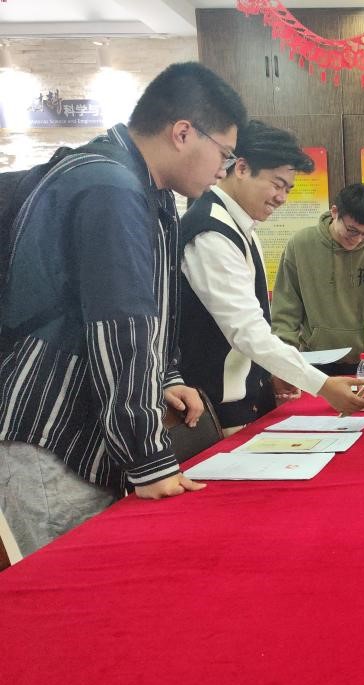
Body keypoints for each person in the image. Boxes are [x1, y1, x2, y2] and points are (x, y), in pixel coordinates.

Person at [0, 62, 247, 556]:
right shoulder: (110, 186)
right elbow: (120, 325)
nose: (223, 170)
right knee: (73, 588)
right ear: (183, 133)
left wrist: (166, 377)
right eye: (224, 153)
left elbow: (150, 308)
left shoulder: (141, 187)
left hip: (81, 428)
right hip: (53, 434)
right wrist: (148, 457)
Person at [179, 121, 364, 434]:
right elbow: (246, 330)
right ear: (241, 168)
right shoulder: (211, 233)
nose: (282, 198)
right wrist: (321, 385)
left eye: (288, 189)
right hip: (214, 410)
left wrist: (271, 373)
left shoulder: (241, 226)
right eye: (277, 184)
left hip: (245, 399)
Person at [271, 183, 364, 375]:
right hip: (314, 360)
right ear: (334, 212)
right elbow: (286, 307)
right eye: (352, 230)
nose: (357, 239)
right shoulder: (301, 244)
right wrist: (284, 355)